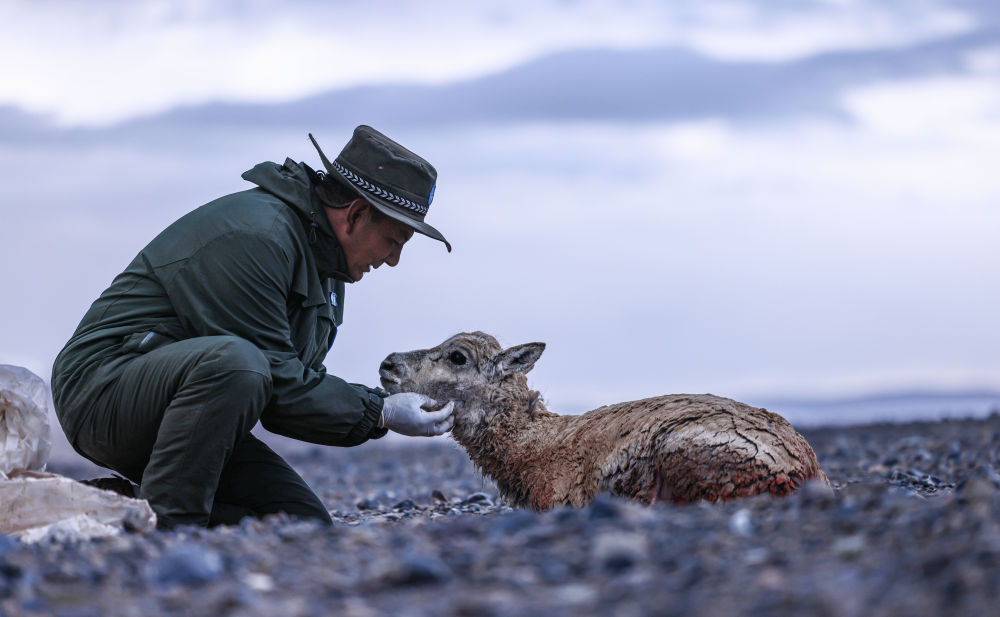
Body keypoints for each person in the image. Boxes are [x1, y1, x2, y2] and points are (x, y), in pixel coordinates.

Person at [50, 125, 455, 528]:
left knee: (299, 523)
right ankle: (170, 530)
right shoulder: (259, 238)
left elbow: (289, 390)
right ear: (357, 214)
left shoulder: (328, 265)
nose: (393, 260)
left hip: (192, 410)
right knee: (239, 363)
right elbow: (275, 381)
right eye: (395, 241)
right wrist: (380, 411)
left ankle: (104, 511)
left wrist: (377, 411)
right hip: (101, 391)